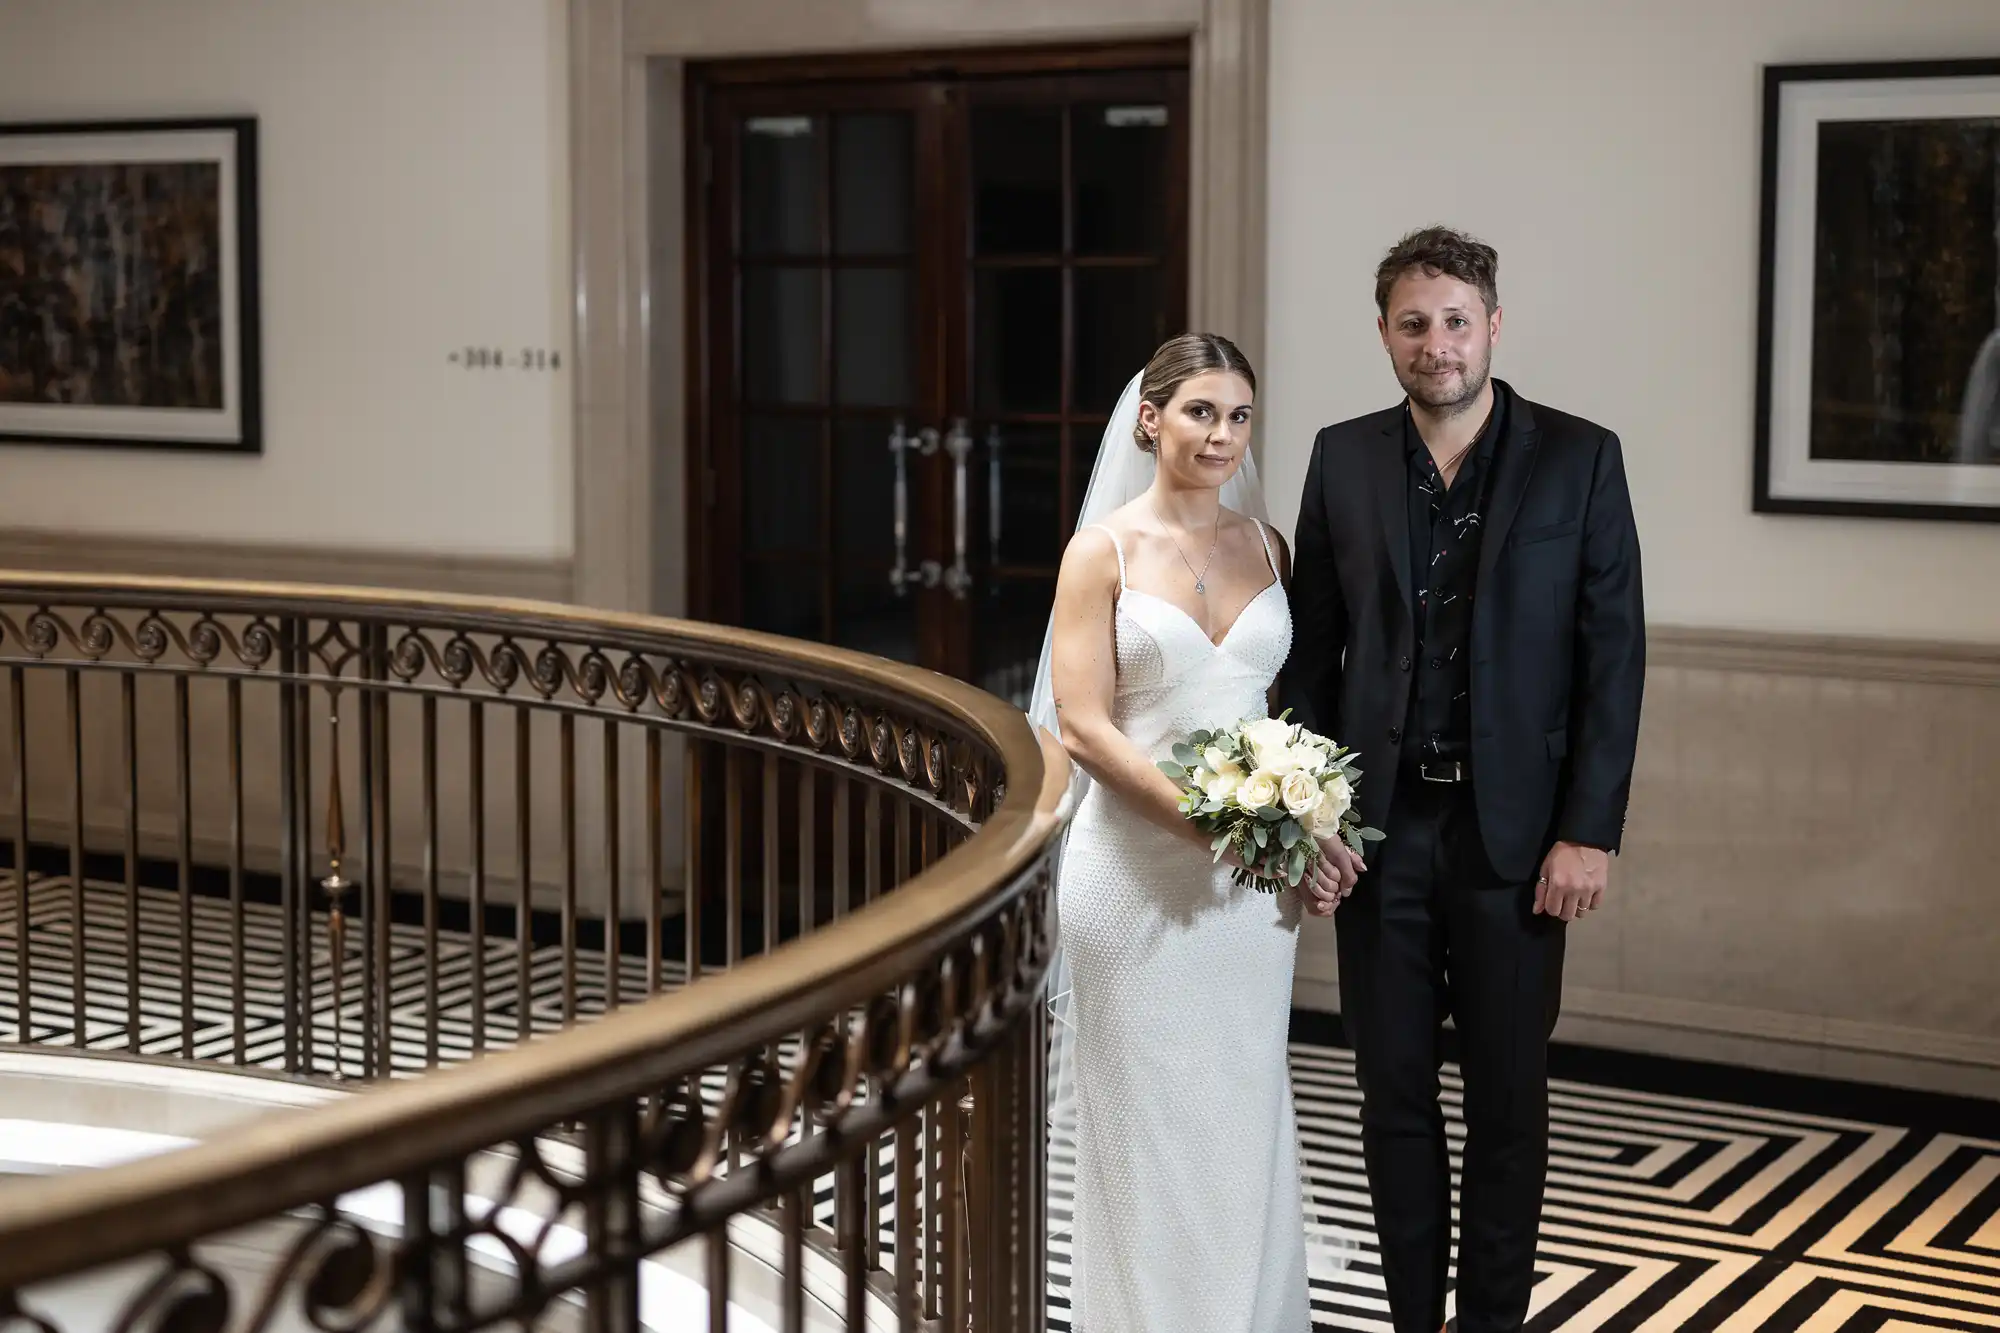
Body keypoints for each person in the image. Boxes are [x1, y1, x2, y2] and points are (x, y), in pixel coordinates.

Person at [1281, 225, 1645, 1333]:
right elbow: (1308, 654)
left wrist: (1588, 831)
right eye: (1411, 323)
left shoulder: (1580, 456)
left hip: (1517, 844)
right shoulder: (1339, 456)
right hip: (1374, 840)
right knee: (1390, 1101)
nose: (1433, 343)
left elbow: (1611, 654)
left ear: (1492, 323)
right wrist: (1311, 820)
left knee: (1506, 1107)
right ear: (1383, 333)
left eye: (1453, 320)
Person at [1027, 332, 1361, 1332]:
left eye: (1237, 415)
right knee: (1142, 1136)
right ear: (1149, 419)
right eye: (1199, 411)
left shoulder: (1268, 548)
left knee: (1240, 1118)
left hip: (1245, 897)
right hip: (1129, 878)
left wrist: (1304, 828)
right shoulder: (1101, 552)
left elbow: (1280, 714)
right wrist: (1217, 823)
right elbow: (1082, 722)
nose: (1220, 434)